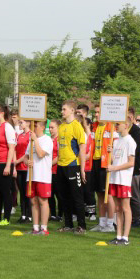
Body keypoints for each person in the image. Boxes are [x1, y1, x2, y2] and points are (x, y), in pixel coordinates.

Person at [55, 100, 88, 234]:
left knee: (77, 197)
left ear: (72, 111)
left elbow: (82, 148)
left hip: (73, 165)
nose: (62, 112)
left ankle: (81, 226)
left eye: (64, 109)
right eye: (62, 109)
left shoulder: (77, 126)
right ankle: (68, 224)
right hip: (61, 165)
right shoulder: (62, 126)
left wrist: (82, 169)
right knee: (63, 197)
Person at [107, 120, 137, 245]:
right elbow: (116, 160)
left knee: (125, 207)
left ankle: (125, 237)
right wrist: (110, 153)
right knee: (118, 208)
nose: (116, 126)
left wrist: (114, 168)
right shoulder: (116, 141)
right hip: (114, 178)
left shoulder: (130, 141)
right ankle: (118, 235)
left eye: (118, 124)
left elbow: (131, 162)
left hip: (124, 179)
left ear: (126, 125)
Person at [89, 115, 117, 232]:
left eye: (99, 112)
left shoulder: (111, 127)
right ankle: (102, 223)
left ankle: (110, 224)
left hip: (106, 163)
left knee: (108, 194)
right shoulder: (94, 126)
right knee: (99, 194)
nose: (96, 115)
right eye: (95, 112)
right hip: (95, 162)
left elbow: (116, 145)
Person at [26, 120, 53, 235]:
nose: (33, 128)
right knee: (33, 201)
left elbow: (41, 154)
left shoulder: (47, 140)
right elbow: (26, 156)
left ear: (42, 127)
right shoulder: (31, 140)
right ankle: (35, 228)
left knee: (42, 200)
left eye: (36, 126)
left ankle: (44, 228)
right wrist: (27, 161)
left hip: (43, 175)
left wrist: (35, 140)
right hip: (31, 175)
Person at [14, 118, 32, 223]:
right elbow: (15, 149)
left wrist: (17, 161)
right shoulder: (19, 135)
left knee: (27, 192)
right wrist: (15, 163)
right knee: (21, 192)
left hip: (26, 167)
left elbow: (27, 153)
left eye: (22, 122)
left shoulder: (31, 135)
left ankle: (29, 215)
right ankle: (23, 214)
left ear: (28, 123)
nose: (20, 124)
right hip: (19, 167)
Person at [127, 107, 140, 227]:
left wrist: (137, 167)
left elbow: (136, 151)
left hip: (134, 166)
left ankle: (137, 217)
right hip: (125, 166)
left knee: (134, 193)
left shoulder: (136, 131)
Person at [78, 116, 97, 220]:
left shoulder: (91, 136)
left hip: (89, 167)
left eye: (83, 124)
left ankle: (92, 212)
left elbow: (89, 154)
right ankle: (85, 211)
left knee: (89, 190)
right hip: (80, 166)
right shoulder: (81, 135)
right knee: (82, 190)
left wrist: (80, 157)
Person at [48, 119, 60, 221]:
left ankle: (60, 214)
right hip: (48, 171)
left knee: (59, 194)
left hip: (57, 170)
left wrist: (49, 164)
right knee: (50, 194)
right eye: (49, 127)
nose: (50, 129)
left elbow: (60, 156)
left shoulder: (59, 139)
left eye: (52, 127)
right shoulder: (48, 139)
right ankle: (52, 213)